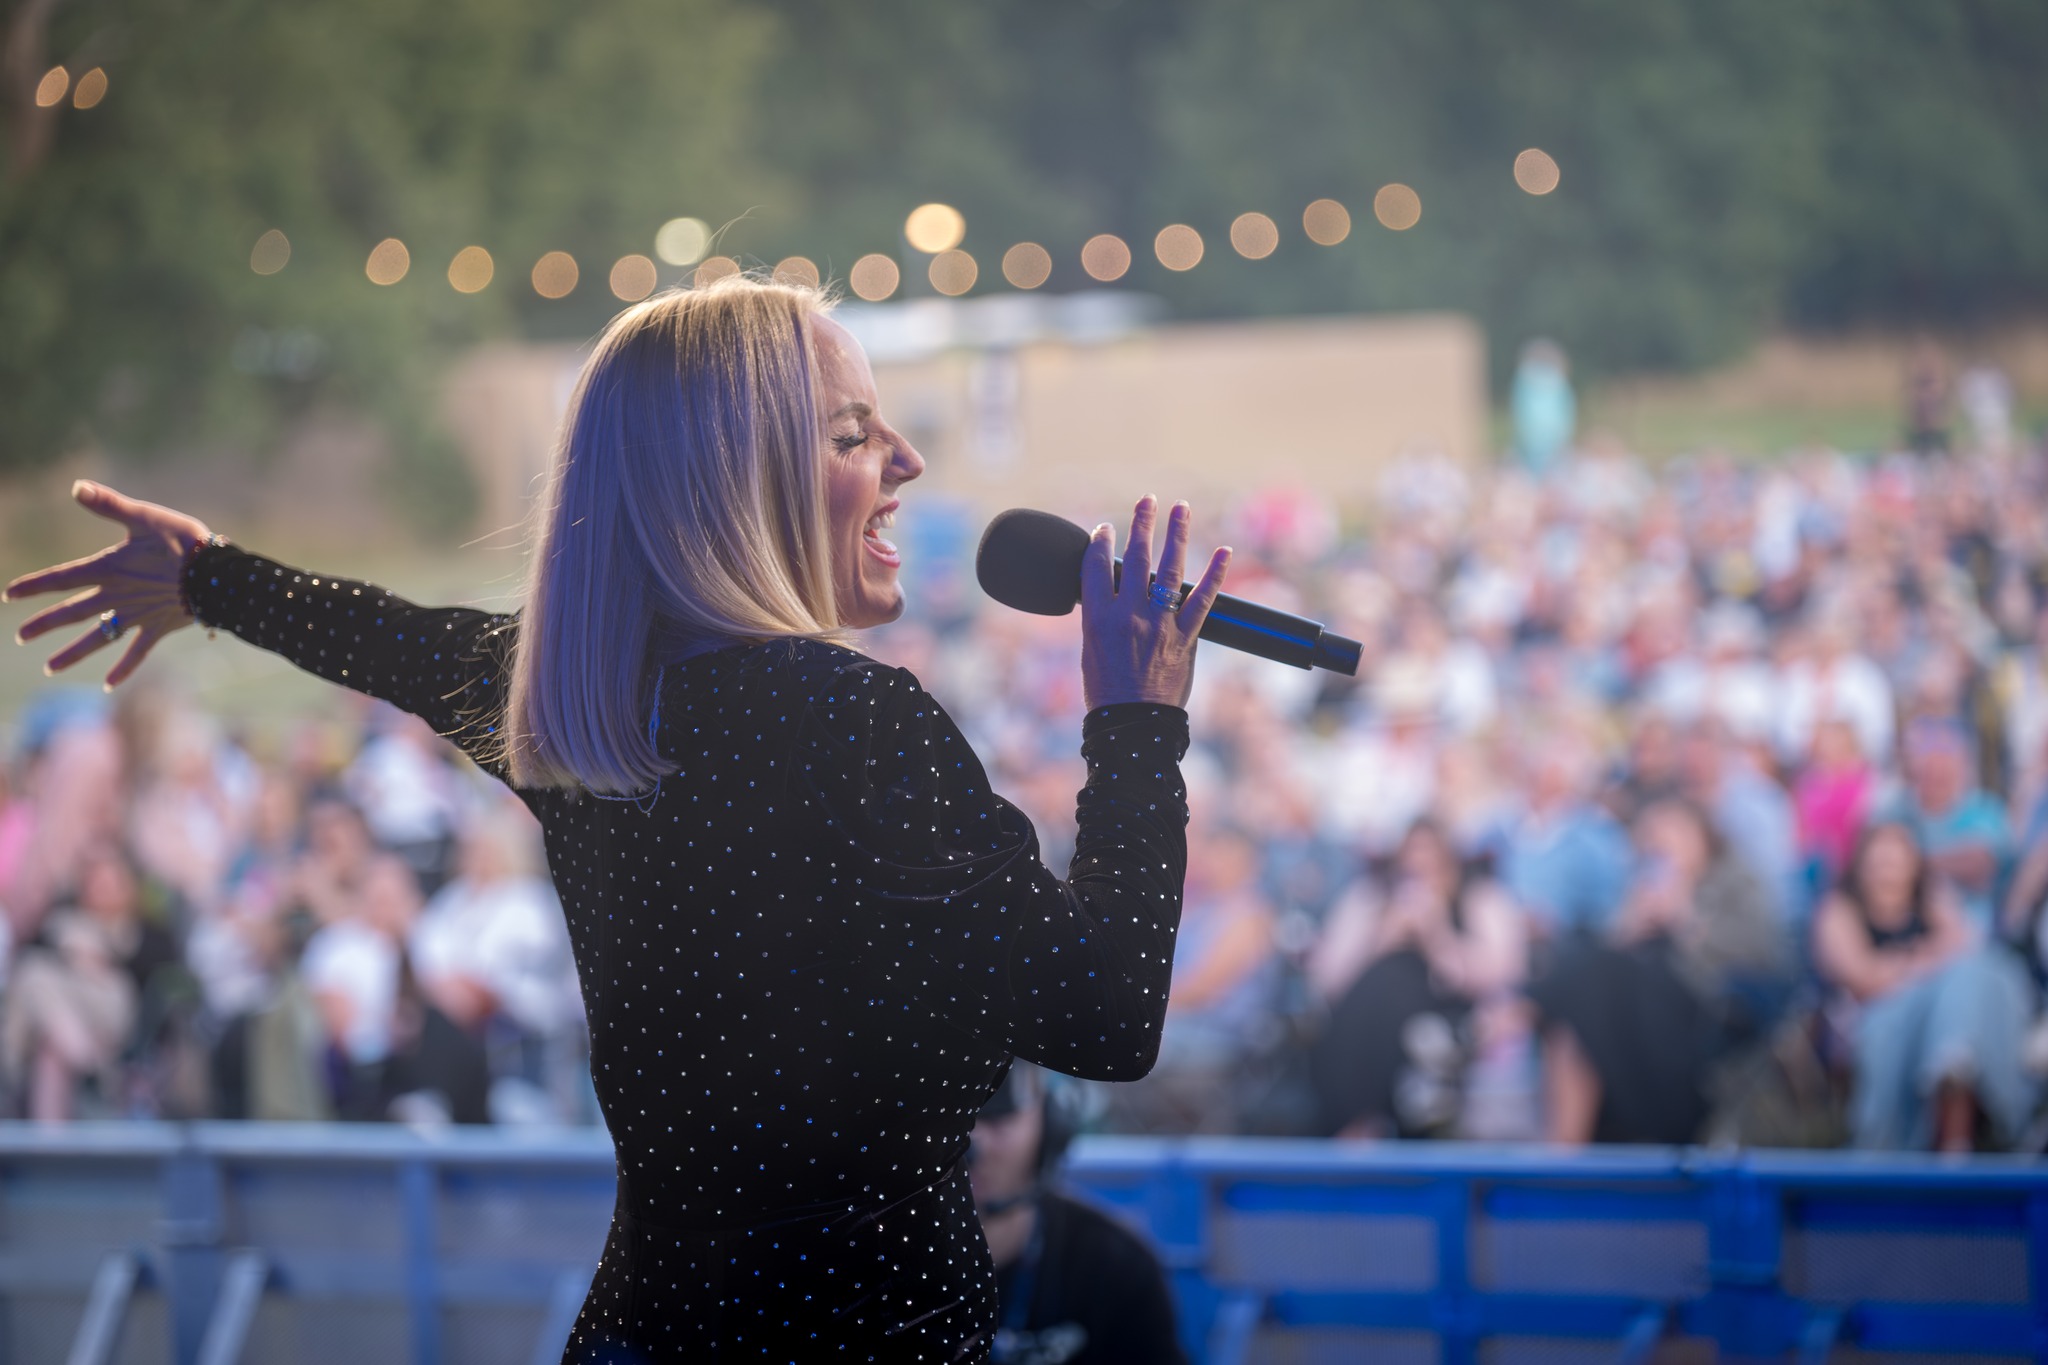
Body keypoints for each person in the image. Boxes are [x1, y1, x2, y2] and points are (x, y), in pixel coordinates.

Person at [4, 275, 1230, 1362]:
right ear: (733, 480)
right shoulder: (856, 723)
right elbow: (1108, 1017)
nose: (905, 461)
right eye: (855, 434)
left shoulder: (576, 712)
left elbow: (390, 638)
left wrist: (209, 577)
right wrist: (1134, 726)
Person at [1530, 798, 1790, 1145]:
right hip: (1634, 1026)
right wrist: (1632, 924)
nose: (1663, 844)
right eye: (1655, 836)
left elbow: (1760, 955)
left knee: (1587, 976)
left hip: (1704, 1019)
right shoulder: (1643, 885)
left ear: (1703, 837)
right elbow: (1611, 950)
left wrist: (1685, 922)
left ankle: (1523, 1006)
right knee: (1580, 1009)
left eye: (1675, 833)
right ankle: (1564, 1148)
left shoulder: (1739, 883)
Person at [1813, 821, 2036, 1151]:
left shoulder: (1931, 900)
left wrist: (1905, 965)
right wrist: (1925, 960)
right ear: (1860, 863)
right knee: (1956, 998)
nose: (1887, 866)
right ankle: (1949, 1123)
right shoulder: (1838, 910)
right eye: (1879, 857)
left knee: (1972, 985)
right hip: (1872, 1024)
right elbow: (1862, 979)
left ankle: (1954, 1082)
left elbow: (1967, 945)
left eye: (1897, 856)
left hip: (1939, 1017)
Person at [1309, 818, 1526, 1139]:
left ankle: (1362, 1126)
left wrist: (1436, 937)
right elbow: (1328, 981)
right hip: (1367, 1019)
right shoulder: (1369, 898)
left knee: (1397, 996)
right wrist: (1384, 938)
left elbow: (1502, 974)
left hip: (1451, 1022)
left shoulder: (1481, 899)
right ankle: (1354, 1124)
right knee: (1383, 986)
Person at [968, 1065, 1185, 1365]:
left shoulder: (1116, 1266)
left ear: (1052, 1124)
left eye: (996, 1116)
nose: (971, 1144)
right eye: (943, 1120)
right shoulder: (880, 1264)